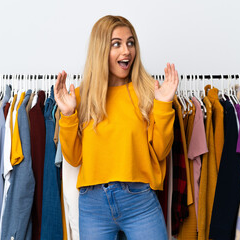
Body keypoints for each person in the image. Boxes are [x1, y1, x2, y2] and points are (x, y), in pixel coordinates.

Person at [54, 15, 179, 240]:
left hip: (139, 201)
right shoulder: (80, 97)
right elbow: (73, 158)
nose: (126, 51)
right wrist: (68, 115)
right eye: (116, 44)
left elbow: (160, 151)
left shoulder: (149, 92)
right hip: (93, 206)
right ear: (101, 49)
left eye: (130, 43)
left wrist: (164, 105)